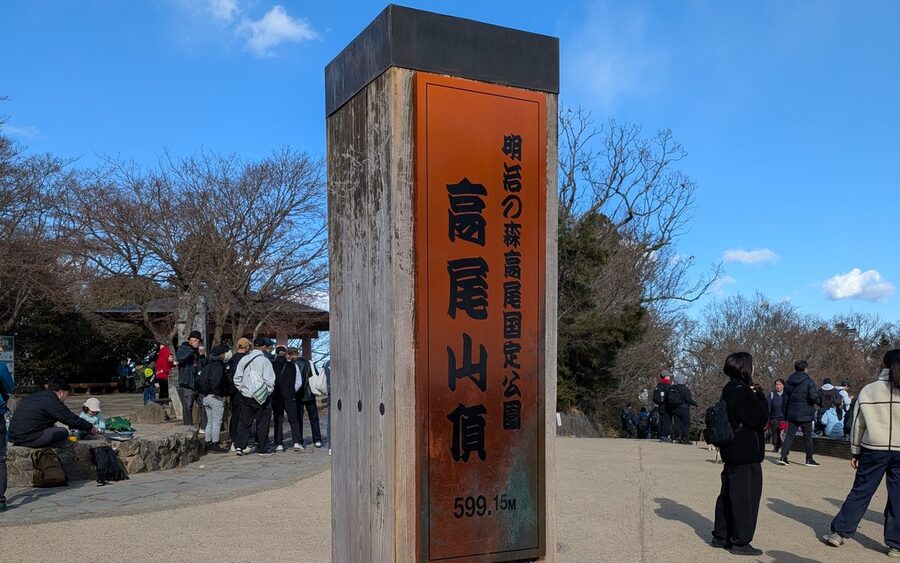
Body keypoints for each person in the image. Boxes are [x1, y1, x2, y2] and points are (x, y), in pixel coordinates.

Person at [823, 349, 900, 557]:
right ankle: (896, 544)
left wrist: (855, 451)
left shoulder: (870, 390)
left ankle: (839, 533)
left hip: (873, 448)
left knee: (861, 491)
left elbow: (858, 424)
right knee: (898, 496)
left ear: (883, 365)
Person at [710, 352, 769, 556]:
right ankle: (740, 541)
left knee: (728, 494)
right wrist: (760, 395)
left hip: (731, 449)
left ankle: (721, 535)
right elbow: (760, 418)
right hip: (745, 452)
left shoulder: (728, 389)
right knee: (746, 498)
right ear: (745, 368)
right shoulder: (742, 392)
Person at [9, 379, 99, 448]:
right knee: (62, 432)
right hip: (27, 439)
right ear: (60, 393)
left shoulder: (37, 396)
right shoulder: (52, 401)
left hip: (14, 435)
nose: (66, 398)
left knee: (53, 428)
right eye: (66, 394)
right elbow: (71, 419)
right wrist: (90, 427)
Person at [233, 337, 276, 456]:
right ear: (263, 347)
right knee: (262, 423)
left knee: (244, 422)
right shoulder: (265, 361)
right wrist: (267, 392)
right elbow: (270, 379)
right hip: (262, 396)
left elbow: (237, 378)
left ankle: (240, 446)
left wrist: (243, 389)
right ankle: (262, 448)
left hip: (246, 396)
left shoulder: (244, 359)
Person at [778, 360, 821, 467]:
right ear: (805, 369)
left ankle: (783, 457)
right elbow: (814, 397)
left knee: (789, 435)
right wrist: (820, 402)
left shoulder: (789, 381)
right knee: (807, 436)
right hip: (806, 413)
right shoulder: (808, 382)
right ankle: (809, 459)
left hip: (792, 413)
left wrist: (785, 413)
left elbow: (785, 398)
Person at [289, 348, 323, 448]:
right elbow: (314, 376)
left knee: (298, 418)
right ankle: (317, 439)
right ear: (298, 353)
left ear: (289, 355)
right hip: (309, 393)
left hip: (297, 394)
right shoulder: (309, 363)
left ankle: (299, 440)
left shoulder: (290, 365)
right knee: (314, 418)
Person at [272, 346, 304, 451]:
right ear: (286, 354)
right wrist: (291, 390)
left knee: (278, 419)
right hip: (290, 396)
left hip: (276, 396)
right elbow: (298, 382)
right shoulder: (293, 365)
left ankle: (279, 443)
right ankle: (296, 442)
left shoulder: (272, 365)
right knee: (293, 419)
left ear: (276, 354)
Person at [200, 343, 229, 453]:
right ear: (221, 354)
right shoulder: (219, 366)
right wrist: (217, 392)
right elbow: (216, 381)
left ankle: (208, 443)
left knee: (209, 421)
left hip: (205, 396)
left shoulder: (207, 364)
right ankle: (215, 443)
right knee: (217, 422)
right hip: (215, 397)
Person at [176, 330, 205, 428]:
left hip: (198, 383)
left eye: (198, 340)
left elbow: (203, 364)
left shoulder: (198, 351)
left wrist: (202, 356)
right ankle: (188, 429)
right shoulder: (183, 348)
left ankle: (203, 427)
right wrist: (192, 350)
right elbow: (181, 359)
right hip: (187, 383)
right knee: (187, 408)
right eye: (195, 339)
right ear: (189, 339)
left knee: (204, 405)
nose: (197, 341)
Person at [226, 338, 251, 451]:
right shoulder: (246, 360)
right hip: (243, 391)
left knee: (235, 416)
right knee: (243, 417)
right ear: (247, 347)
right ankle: (240, 443)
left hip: (233, 392)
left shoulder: (232, 359)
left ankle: (233, 439)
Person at [0, 342, 14, 512]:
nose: (2, 349)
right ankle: (0, 500)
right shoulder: (1, 366)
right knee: (0, 460)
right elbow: (10, 387)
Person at [669, 373, 699, 444]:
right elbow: (689, 399)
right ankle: (684, 438)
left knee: (677, 423)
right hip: (684, 409)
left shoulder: (673, 388)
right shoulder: (685, 389)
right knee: (686, 424)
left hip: (675, 409)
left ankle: (675, 438)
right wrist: (696, 404)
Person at [653, 371, 674, 443]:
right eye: (668, 376)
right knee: (666, 422)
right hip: (667, 407)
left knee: (661, 421)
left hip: (660, 406)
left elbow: (655, 397)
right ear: (665, 376)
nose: (669, 377)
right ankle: (664, 436)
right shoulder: (668, 386)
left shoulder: (658, 385)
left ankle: (662, 435)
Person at [769, 379, 786, 453]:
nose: (778, 386)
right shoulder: (771, 394)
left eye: (779, 384)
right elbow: (768, 406)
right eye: (776, 384)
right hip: (774, 417)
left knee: (783, 433)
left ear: (783, 385)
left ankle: (784, 447)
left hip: (784, 418)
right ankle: (776, 446)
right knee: (775, 433)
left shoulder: (786, 395)